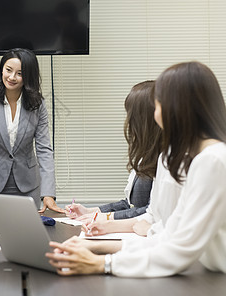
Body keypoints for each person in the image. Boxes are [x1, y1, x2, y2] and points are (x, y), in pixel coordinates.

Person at [46, 61, 226, 277]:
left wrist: (103, 263)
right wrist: (97, 247)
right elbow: (169, 236)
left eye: (157, 102)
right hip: (223, 275)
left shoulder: (213, 160)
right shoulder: (189, 157)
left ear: (177, 108)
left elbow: (179, 250)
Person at [0, 48, 64, 215]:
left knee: (28, 236)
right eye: (8, 70)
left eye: (20, 73)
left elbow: (44, 150)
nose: (12, 77)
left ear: (28, 76)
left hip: (28, 186)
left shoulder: (38, 105)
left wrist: (48, 194)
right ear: (2, 69)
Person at [66, 81, 162, 222]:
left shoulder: (164, 157)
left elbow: (149, 210)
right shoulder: (147, 153)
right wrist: (91, 211)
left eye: (131, 114)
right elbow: (129, 203)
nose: (128, 121)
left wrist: (105, 217)